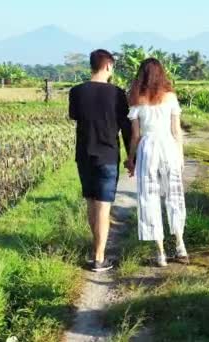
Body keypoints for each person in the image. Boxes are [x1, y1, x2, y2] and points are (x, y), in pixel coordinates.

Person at [69, 49, 132, 272]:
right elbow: (126, 128)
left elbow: (75, 116)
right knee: (103, 208)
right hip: (107, 155)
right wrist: (130, 157)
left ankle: (96, 250)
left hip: (84, 155)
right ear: (107, 66)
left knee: (91, 203)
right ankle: (99, 258)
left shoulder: (76, 92)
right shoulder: (117, 94)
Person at [125, 58, 188, 267]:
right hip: (169, 146)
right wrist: (180, 157)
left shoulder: (137, 98)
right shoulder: (170, 97)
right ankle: (180, 246)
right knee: (175, 196)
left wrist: (130, 159)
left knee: (148, 197)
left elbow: (135, 136)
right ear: (162, 74)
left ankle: (160, 253)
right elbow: (176, 131)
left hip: (148, 147)